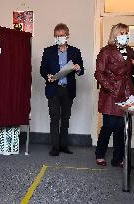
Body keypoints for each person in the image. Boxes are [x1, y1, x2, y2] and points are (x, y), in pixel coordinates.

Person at [94, 23, 134, 167]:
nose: (124, 35)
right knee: (108, 125)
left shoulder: (130, 50)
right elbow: (98, 73)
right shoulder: (106, 51)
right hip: (110, 94)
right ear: (115, 35)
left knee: (121, 127)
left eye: (126, 32)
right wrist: (112, 87)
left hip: (126, 92)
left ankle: (118, 158)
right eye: (121, 33)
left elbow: (130, 72)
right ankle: (100, 154)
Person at [40, 23, 84, 156]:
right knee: (54, 118)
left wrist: (78, 68)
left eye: (62, 35)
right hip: (53, 89)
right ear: (54, 37)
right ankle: (55, 147)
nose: (59, 38)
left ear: (67, 36)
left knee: (65, 118)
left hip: (68, 90)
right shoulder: (48, 51)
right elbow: (42, 70)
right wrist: (47, 76)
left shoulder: (75, 51)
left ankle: (64, 145)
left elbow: (81, 71)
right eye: (57, 36)